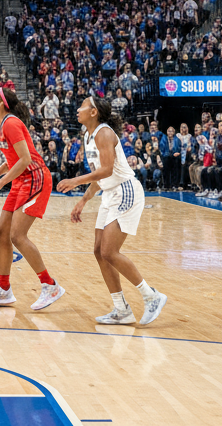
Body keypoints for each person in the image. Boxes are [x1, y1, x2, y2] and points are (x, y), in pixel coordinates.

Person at [57, 96, 167, 326]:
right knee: (99, 251)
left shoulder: (104, 133)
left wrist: (75, 181)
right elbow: (99, 175)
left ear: (94, 112)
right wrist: (83, 201)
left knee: (109, 251)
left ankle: (152, 296)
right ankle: (121, 309)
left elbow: (107, 170)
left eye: (83, 106)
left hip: (125, 191)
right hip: (109, 194)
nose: (78, 109)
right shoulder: (89, 135)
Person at [0, 85, 64, 310]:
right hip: (20, 181)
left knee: (17, 235)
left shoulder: (12, 123)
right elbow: (14, 157)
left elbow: (26, 159)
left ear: (1, 103)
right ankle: (4, 290)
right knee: (1, 233)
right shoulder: (3, 124)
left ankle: (50, 285)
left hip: (35, 178)